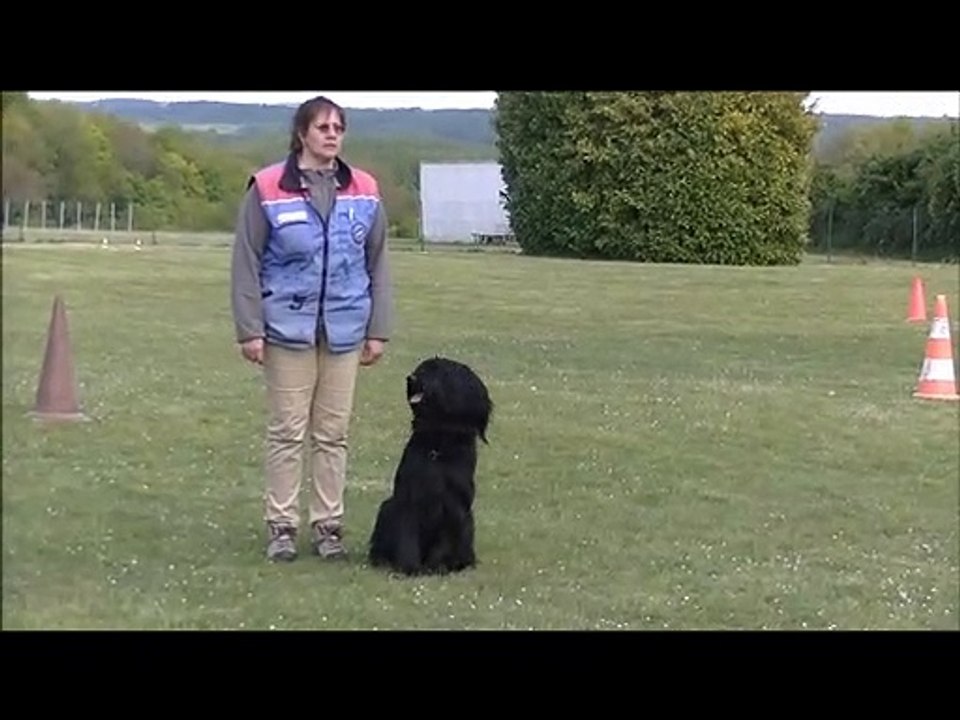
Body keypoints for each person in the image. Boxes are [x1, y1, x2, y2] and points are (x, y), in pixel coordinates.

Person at [230, 95, 394, 562]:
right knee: (287, 431)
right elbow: (246, 262)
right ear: (302, 133)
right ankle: (281, 526)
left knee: (333, 433)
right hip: (286, 329)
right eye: (322, 127)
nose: (332, 134)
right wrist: (250, 329)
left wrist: (378, 328)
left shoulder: (364, 188)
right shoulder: (266, 187)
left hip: (345, 329)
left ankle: (329, 527)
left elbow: (378, 262)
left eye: (339, 127)